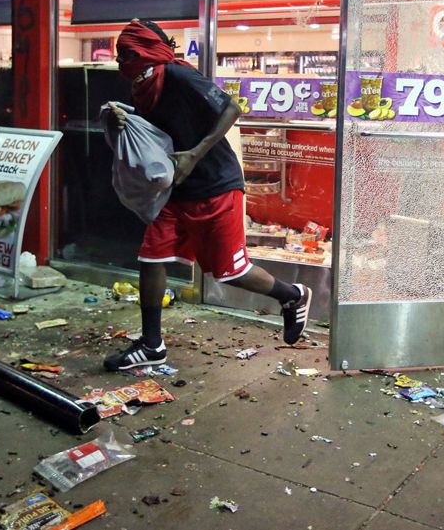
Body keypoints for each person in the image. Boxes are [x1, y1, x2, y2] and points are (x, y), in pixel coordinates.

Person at [103, 19, 312, 371]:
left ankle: (292, 296)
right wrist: (121, 122)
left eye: (128, 54)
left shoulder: (180, 77)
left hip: (215, 185)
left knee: (230, 272)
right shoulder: (143, 87)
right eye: (120, 55)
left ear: (147, 52)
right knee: (151, 258)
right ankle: (152, 345)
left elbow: (232, 109)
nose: (123, 63)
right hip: (176, 190)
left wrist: (194, 155)